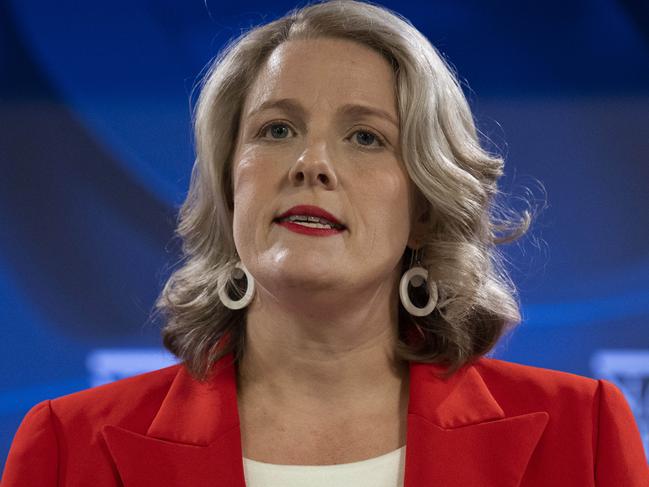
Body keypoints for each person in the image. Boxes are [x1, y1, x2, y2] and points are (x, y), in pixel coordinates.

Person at [3, 0, 648, 485]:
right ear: (232, 190)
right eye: (276, 129)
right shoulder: (68, 447)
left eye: (366, 137)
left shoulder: (580, 434)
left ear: (424, 208)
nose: (312, 163)